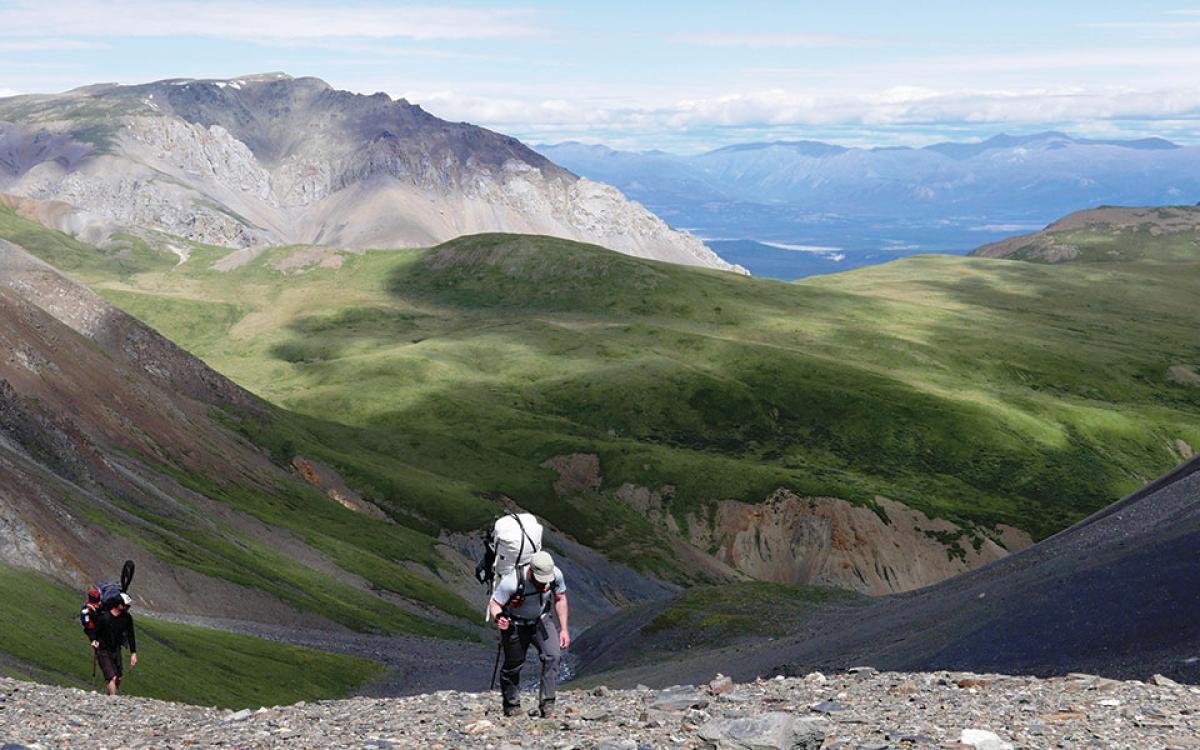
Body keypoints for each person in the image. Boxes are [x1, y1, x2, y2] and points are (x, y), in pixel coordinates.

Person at [488, 550, 570, 718]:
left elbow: (560, 598)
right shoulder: (512, 581)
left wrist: (564, 629)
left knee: (553, 656)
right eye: (540, 581)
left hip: (541, 621)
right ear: (531, 571)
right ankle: (512, 705)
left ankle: (547, 704)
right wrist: (499, 617)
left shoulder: (556, 575)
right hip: (515, 624)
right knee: (514, 665)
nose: (544, 585)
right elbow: (495, 603)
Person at [86, 593, 138, 696]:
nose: (128, 608)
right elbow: (94, 631)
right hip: (103, 649)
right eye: (126, 606)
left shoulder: (127, 619)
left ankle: (109, 697)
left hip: (116, 649)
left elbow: (131, 635)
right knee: (112, 677)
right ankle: (113, 701)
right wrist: (93, 641)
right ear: (119, 605)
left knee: (118, 678)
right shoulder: (104, 617)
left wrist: (133, 653)